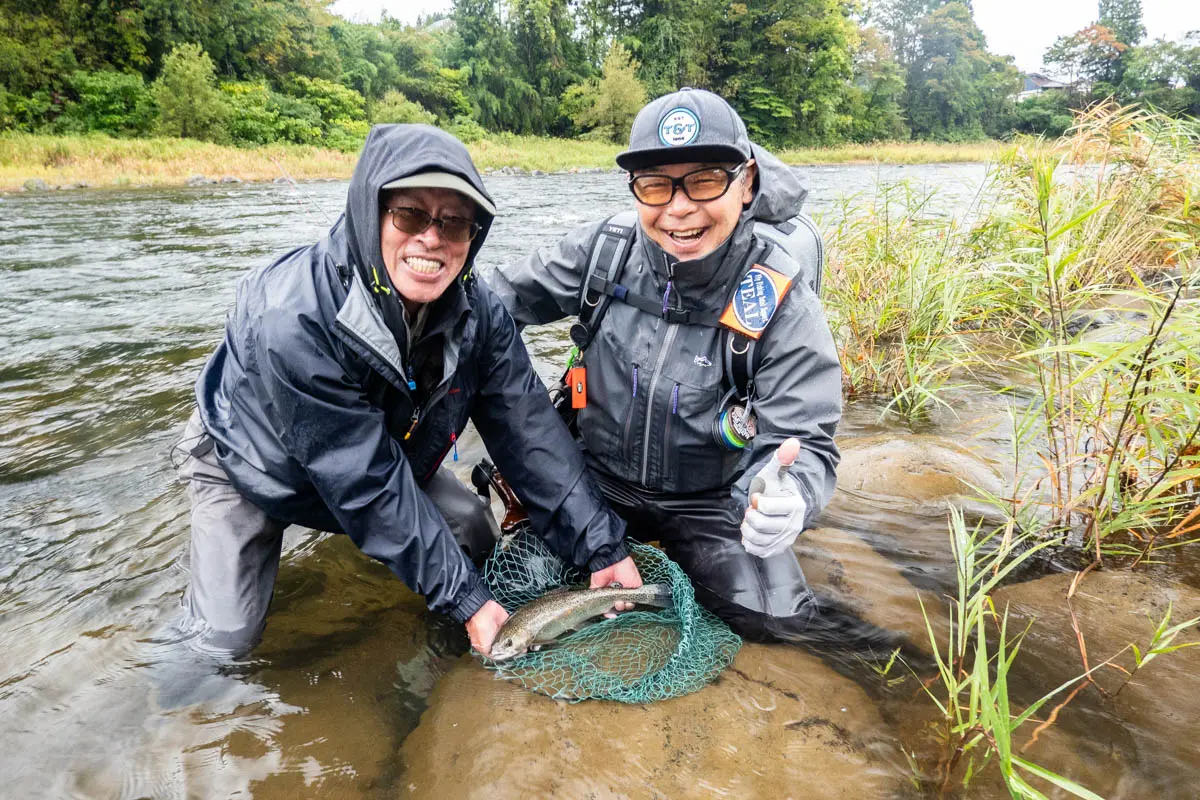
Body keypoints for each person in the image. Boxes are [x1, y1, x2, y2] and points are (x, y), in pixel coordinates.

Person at [174, 124, 641, 659]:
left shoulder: (479, 314)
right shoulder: (294, 316)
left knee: (471, 529)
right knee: (220, 649)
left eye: (455, 222)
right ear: (370, 214)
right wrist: (467, 599)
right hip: (251, 463)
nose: (432, 238)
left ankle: (447, 661)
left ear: (474, 235)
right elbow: (365, 482)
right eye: (411, 215)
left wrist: (600, 546)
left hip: (373, 452)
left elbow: (529, 429)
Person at [489, 89, 842, 643]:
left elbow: (807, 441)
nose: (678, 208)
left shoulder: (779, 296)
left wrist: (790, 490)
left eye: (704, 180)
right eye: (655, 185)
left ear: (746, 182)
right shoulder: (601, 254)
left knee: (781, 622)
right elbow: (491, 306)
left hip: (710, 500)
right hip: (593, 482)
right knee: (519, 589)